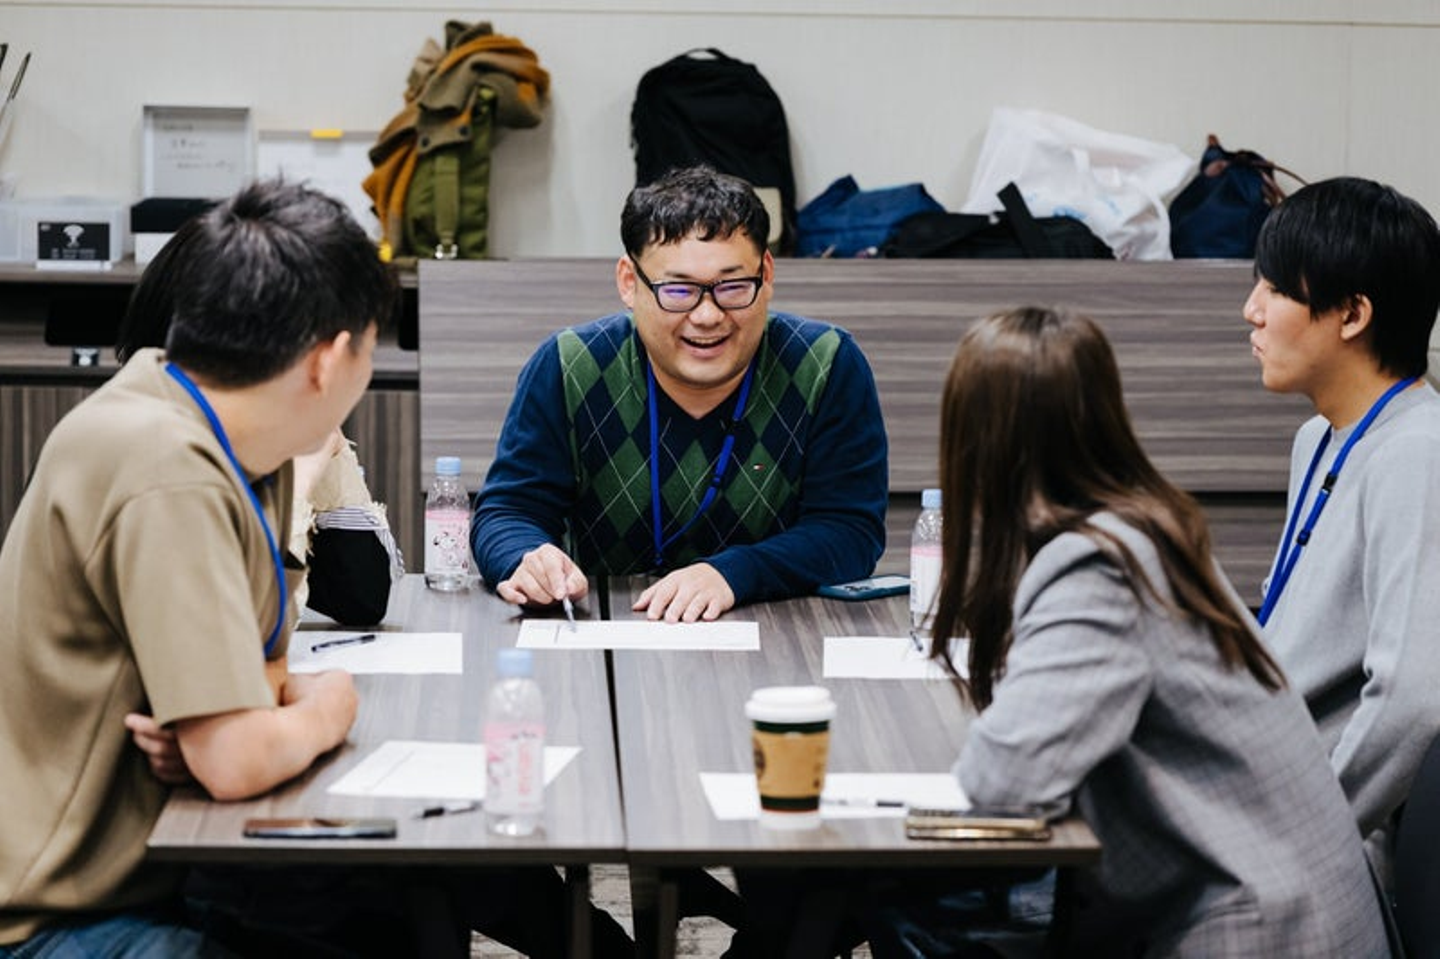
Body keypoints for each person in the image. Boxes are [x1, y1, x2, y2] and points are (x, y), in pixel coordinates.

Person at [0, 181, 632, 958]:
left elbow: (262, 684)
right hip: (57, 912)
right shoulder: (171, 468)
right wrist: (329, 704)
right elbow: (235, 757)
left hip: (149, 856)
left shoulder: (217, 427)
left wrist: (257, 716)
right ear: (331, 359)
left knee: (411, 895)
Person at [735, 308, 1389, 957]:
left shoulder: (1100, 566)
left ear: (976, 439)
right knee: (844, 895)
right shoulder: (1142, 525)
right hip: (1268, 894)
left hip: (1253, 926)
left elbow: (1004, 782)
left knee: (845, 892)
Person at [471, 164, 888, 622]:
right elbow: (508, 512)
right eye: (678, 290)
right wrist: (526, 559)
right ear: (629, 282)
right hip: (606, 633)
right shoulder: (569, 365)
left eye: (733, 287)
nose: (707, 316)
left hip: (780, 633)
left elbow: (850, 531)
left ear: (766, 275)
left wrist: (735, 573)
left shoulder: (825, 364)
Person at [1243, 175, 1440, 884]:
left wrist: (1300, 839)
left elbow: (1415, 699)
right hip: (1264, 783)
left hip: (1318, 843)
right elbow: (1296, 632)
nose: (1251, 310)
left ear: (1352, 314)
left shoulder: (1417, 453)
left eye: (1274, 290)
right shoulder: (1320, 438)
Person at [116, 216, 403, 628]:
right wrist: (301, 485)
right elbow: (237, 633)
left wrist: (327, 450)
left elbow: (363, 598)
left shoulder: (259, 428)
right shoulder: (157, 442)